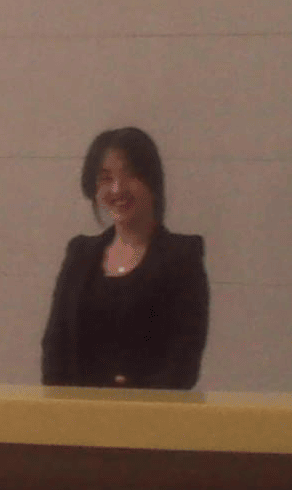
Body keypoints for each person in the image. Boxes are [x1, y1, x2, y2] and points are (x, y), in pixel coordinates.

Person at [41, 126, 209, 389]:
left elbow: (183, 363)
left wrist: (125, 403)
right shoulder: (80, 254)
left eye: (130, 175)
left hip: (153, 412)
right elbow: (55, 351)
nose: (117, 189)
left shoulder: (182, 257)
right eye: (105, 178)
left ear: (152, 181)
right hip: (77, 411)